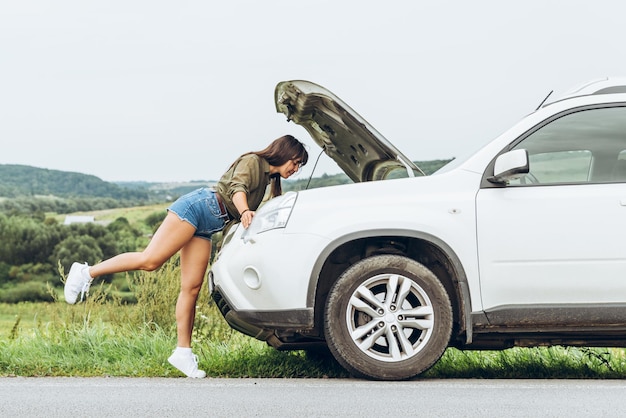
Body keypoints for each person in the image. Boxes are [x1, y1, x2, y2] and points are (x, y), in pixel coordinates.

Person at [63, 134, 308, 378]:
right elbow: (237, 188)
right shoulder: (254, 162)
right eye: (295, 162)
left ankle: (182, 352)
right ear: (285, 153)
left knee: (191, 287)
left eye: (299, 166)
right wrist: (245, 211)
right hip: (197, 208)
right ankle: (85, 272)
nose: (295, 169)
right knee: (151, 261)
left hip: (208, 225)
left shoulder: (269, 179)